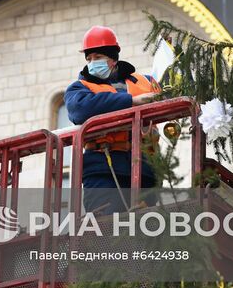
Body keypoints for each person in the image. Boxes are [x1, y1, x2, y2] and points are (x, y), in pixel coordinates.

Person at [65, 25, 161, 214]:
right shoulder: (80, 87)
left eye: (98, 57)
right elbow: (79, 110)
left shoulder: (146, 82)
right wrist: (131, 101)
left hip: (144, 170)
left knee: (145, 231)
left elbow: (169, 97)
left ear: (113, 58)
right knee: (106, 231)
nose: (92, 63)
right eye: (89, 58)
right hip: (102, 169)